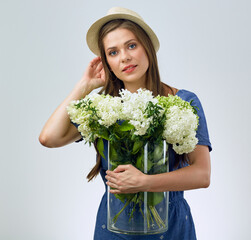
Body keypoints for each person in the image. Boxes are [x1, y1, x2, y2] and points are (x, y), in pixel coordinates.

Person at [39, 7, 212, 240]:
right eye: (112, 52)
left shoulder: (183, 101)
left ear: (147, 48)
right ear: (107, 62)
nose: (124, 57)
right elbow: (49, 138)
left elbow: (202, 175)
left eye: (132, 45)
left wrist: (144, 182)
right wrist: (84, 86)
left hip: (170, 229)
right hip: (114, 227)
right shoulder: (102, 108)